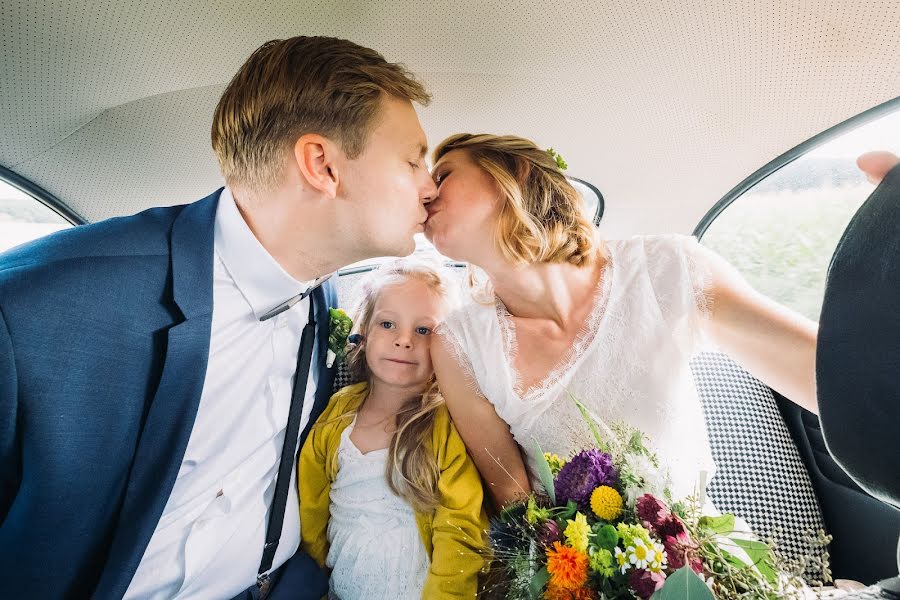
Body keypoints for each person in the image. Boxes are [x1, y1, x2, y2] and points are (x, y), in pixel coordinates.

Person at [0, 36, 437, 599]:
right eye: (413, 161)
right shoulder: (35, 311)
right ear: (323, 165)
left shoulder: (326, 296)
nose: (430, 189)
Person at [425, 132, 827, 510]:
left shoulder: (667, 270)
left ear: (515, 172)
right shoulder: (458, 345)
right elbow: (516, 507)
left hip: (706, 563)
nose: (426, 193)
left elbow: (828, 380)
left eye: (442, 175)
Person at [299, 259, 487, 600]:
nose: (403, 340)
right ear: (365, 332)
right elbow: (311, 502)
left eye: (423, 330)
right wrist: (313, 574)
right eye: (388, 324)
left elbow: (461, 524)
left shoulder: (445, 423)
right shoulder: (337, 414)